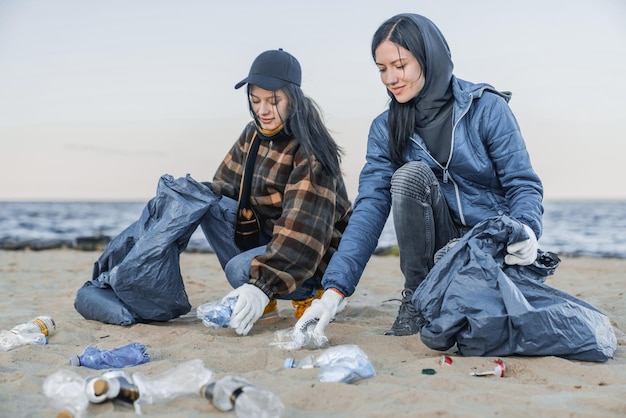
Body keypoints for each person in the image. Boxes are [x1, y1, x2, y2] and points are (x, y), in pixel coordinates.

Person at [294, 13, 543, 338]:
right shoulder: (384, 128)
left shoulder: (486, 108)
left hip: (488, 243)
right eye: (382, 69)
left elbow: (521, 183)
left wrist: (526, 229)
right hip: (439, 243)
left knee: (485, 325)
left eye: (400, 65)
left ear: (429, 58)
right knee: (409, 175)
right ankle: (415, 298)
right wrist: (334, 293)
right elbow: (369, 208)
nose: (390, 78)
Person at [200, 48, 352, 336]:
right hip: (273, 237)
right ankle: (265, 298)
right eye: (255, 101)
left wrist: (261, 285)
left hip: (315, 253)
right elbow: (228, 187)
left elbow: (302, 234)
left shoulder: (311, 151)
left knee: (238, 270)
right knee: (209, 205)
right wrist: (192, 192)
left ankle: (306, 294)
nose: (263, 110)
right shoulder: (252, 133)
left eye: (273, 101)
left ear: (292, 99)